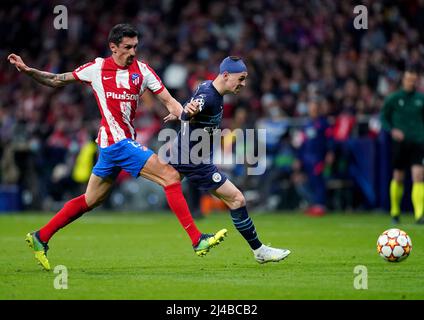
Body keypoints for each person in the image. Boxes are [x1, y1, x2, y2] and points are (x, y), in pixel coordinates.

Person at [8, 24, 227, 271]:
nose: (133, 52)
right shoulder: (97, 68)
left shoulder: (142, 71)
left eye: (135, 46)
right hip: (116, 142)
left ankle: (40, 236)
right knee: (170, 176)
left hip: (111, 146)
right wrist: (28, 71)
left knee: (91, 199)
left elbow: (170, 102)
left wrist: (187, 116)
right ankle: (197, 240)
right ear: (113, 47)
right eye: (127, 47)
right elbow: (57, 80)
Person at [165, 56, 291, 263]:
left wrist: (182, 112)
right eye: (240, 79)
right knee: (237, 199)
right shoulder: (209, 95)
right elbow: (193, 109)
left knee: (171, 183)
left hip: (191, 155)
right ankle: (259, 250)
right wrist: (185, 114)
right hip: (192, 160)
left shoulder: (206, 86)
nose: (243, 84)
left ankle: (201, 239)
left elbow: (191, 105)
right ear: (225, 75)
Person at [380, 67, 424, 225]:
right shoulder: (394, 98)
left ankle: (419, 215)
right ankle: (395, 211)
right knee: (398, 177)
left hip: (418, 142)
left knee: (418, 176)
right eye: (408, 79)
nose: (411, 82)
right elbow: (383, 117)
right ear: (403, 80)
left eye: (414, 80)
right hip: (400, 144)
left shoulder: (421, 98)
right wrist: (392, 130)